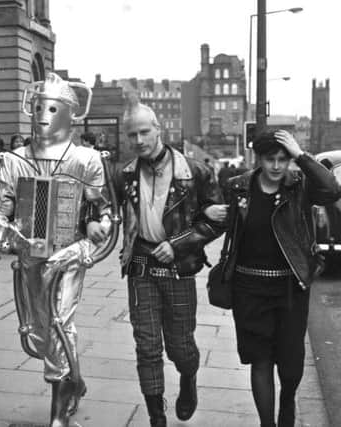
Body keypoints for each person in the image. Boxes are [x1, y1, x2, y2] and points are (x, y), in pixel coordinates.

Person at [0, 73, 112, 426]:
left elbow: (104, 210)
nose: (44, 114)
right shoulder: (14, 160)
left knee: (60, 320)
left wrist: (95, 228)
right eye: (39, 106)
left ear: (70, 113)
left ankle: (57, 417)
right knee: (39, 331)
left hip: (68, 256)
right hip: (29, 256)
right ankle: (75, 379)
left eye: (53, 107)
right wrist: (6, 230)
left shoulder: (86, 159)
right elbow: (1, 206)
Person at [217, 130, 341, 427]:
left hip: (290, 287)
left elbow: (331, 190)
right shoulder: (238, 187)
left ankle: (287, 401)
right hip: (249, 287)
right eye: (269, 159)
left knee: (291, 366)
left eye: (282, 160)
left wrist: (301, 155)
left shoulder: (299, 186)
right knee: (260, 361)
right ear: (258, 159)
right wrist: (207, 215)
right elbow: (216, 224)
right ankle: (268, 424)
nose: (276, 166)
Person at [115, 103, 223, 427]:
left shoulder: (194, 171)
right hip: (140, 265)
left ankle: (188, 380)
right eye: (132, 133)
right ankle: (156, 416)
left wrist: (177, 245)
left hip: (178, 269)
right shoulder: (124, 174)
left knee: (180, 348)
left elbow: (218, 219)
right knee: (146, 346)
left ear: (158, 128)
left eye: (144, 131)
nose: (138, 139)